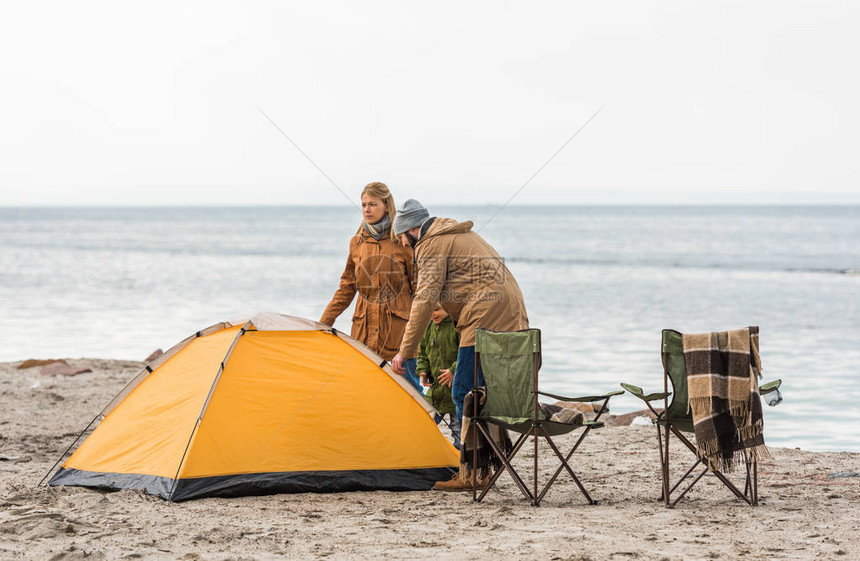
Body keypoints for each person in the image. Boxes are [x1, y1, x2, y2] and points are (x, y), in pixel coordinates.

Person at [390, 199, 529, 490]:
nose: (403, 245)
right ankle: (485, 468)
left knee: (463, 392)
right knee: (481, 394)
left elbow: (425, 299)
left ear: (412, 230)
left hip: (485, 317)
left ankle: (473, 473)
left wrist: (405, 352)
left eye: (401, 238)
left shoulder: (431, 244)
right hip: (510, 314)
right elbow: (451, 288)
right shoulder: (455, 236)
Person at [319, 182, 423, 393]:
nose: (366, 209)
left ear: (386, 205)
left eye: (372, 204)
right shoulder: (357, 243)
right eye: (364, 204)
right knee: (364, 390)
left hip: (398, 333)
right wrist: (323, 323)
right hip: (363, 332)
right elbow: (346, 288)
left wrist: (427, 331)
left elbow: (421, 291)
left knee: (408, 391)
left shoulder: (402, 241)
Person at [417, 303, 461, 449]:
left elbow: (465, 353)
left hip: (455, 390)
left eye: (437, 309)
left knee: (458, 430)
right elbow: (422, 352)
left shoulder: (457, 326)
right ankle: (428, 453)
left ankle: (459, 460)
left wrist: (453, 370)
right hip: (435, 390)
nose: (433, 314)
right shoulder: (428, 327)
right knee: (423, 421)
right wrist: (423, 371)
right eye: (430, 310)